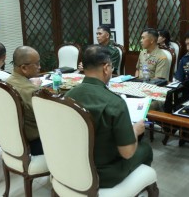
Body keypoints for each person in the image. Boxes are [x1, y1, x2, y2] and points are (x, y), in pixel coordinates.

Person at [65, 45, 153, 187]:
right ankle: (138, 188)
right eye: (112, 67)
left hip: (73, 165)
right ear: (106, 68)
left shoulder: (69, 95)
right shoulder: (115, 103)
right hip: (103, 174)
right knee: (145, 149)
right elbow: (127, 153)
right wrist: (135, 130)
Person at [6, 46, 43, 155]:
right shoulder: (29, 91)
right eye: (36, 64)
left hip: (12, 139)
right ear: (24, 68)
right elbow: (47, 117)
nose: (39, 67)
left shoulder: (7, 82)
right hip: (35, 142)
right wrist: (36, 88)